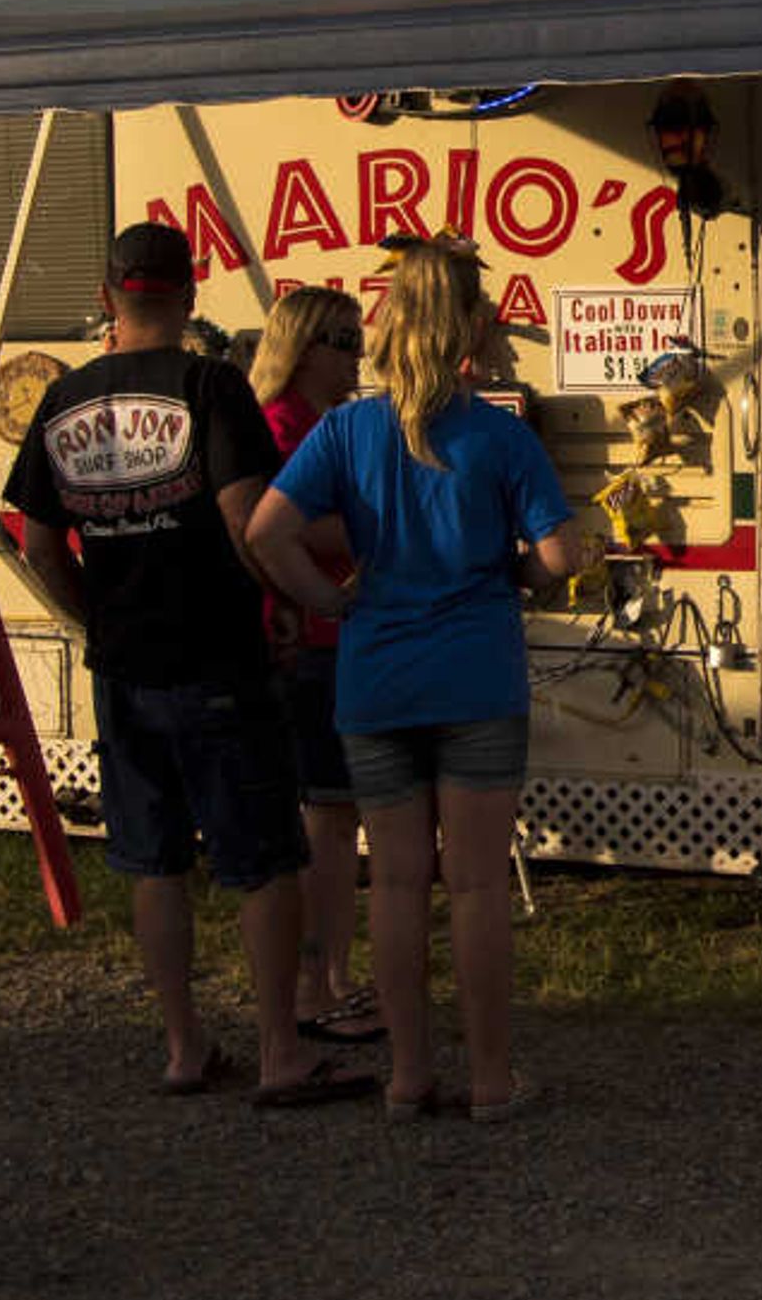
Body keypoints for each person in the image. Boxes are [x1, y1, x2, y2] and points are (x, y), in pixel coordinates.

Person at [11, 225, 363, 1106]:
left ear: (107, 294)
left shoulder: (62, 401)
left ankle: (183, 1046)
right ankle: (281, 1048)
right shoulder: (210, 386)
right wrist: (302, 601)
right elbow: (250, 520)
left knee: (153, 862)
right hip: (218, 656)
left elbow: (40, 543)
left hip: (123, 666)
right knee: (262, 860)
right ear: (190, 294)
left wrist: (92, 614)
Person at [246, 234, 587, 1121]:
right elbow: (560, 552)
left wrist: (335, 596)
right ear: (469, 326)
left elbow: (266, 532)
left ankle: (406, 1076)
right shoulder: (499, 436)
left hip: (375, 678)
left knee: (395, 883)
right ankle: (490, 1079)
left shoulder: (345, 428)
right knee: (473, 885)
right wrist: (515, 575)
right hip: (475, 675)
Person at [251, 286, 383, 1045]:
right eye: (341, 338)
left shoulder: (324, 423)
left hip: (332, 641)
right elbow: (282, 526)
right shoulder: (281, 425)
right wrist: (381, 520)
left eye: (359, 336)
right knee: (325, 821)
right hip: (305, 641)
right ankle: (318, 985)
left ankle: (331, 974)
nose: (356, 354)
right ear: (301, 346)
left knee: (337, 820)